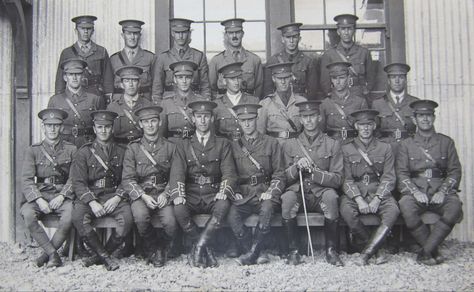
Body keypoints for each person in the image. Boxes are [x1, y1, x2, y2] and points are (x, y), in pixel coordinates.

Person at [397, 100, 462, 265]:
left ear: (434, 118)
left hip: (440, 189)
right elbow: (402, 173)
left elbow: (454, 171)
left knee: (454, 207)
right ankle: (434, 250)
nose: (425, 119)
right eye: (421, 116)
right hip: (417, 190)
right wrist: (415, 192)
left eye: (428, 115)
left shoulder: (446, 142)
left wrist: (443, 191)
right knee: (406, 205)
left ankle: (425, 252)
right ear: (414, 119)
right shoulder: (406, 145)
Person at [173, 100, 237, 268]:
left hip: (213, 192)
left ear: (212, 119)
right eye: (199, 116)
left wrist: (223, 191)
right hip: (192, 192)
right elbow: (177, 173)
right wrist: (179, 195)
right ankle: (206, 249)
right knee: (179, 209)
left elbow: (229, 172)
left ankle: (199, 247)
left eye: (206, 116)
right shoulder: (183, 144)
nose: (202, 120)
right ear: (193, 119)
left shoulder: (222, 143)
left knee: (223, 205)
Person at [280, 101, 344, 266]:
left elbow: (337, 179)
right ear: (300, 120)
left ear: (319, 118)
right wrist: (296, 167)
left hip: (320, 193)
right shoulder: (290, 144)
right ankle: (293, 251)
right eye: (304, 117)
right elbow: (284, 178)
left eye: (312, 116)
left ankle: (331, 250)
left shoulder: (332, 144)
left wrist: (313, 173)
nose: (308, 121)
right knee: (287, 199)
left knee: (331, 197)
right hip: (298, 192)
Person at [121, 106, 184, 267]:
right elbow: (127, 179)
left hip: (163, 192)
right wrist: (142, 196)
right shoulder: (133, 148)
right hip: (142, 194)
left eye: (153, 121)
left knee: (170, 222)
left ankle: (162, 248)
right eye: (146, 122)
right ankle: (154, 248)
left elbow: (176, 175)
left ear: (160, 122)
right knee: (141, 217)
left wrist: (167, 193)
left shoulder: (171, 147)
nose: (150, 125)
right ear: (140, 124)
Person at [71, 110, 133, 271]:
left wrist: (118, 197)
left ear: (112, 129)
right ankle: (105, 257)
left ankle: (99, 256)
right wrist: (92, 202)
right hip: (92, 195)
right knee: (78, 217)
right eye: (100, 127)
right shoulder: (84, 152)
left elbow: (128, 178)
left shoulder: (123, 151)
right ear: (94, 129)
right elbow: (78, 182)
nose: (103, 130)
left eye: (107, 127)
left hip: (113, 194)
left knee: (127, 219)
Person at [227, 103, 285, 265]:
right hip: (244, 194)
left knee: (266, 209)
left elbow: (280, 173)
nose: (247, 124)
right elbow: (230, 173)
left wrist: (272, 191)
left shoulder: (271, 143)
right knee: (232, 214)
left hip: (264, 191)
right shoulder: (233, 146)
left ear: (256, 120)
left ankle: (252, 254)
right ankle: (252, 251)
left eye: (250, 120)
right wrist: (235, 191)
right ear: (238, 121)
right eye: (243, 120)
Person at [339, 109, 400, 266]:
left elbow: (389, 177)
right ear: (356, 126)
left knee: (393, 210)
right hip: (356, 192)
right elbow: (346, 179)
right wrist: (359, 199)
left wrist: (378, 199)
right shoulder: (346, 148)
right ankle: (375, 250)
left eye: (369, 124)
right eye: (361, 125)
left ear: (374, 126)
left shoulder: (385, 148)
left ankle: (365, 254)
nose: (365, 128)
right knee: (346, 210)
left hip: (377, 190)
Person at [20, 109, 76, 268]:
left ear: (62, 127)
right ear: (43, 127)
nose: (52, 129)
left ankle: (46, 256)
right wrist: (39, 200)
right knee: (28, 214)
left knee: (71, 216)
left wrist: (62, 196)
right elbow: (27, 179)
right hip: (41, 193)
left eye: (56, 125)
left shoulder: (71, 149)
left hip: (61, 194)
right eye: (49, 125)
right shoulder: (33, 150)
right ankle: (52, 254)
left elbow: (74, 177)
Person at [55, 15, 114, 104]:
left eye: (89, 28)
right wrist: (59, 97)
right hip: (74, 96)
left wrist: (108, 97)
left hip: (96, 95)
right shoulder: (67, 53)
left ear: (93, 31)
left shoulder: (101, 51)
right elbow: (60, 80)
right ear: (76, 30)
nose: (86, 31)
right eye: (82, 28)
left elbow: (108, 78)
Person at [48, 58, 105, 147]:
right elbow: (50, 129)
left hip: (88, 146)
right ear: (65, 77)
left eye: (78, 74)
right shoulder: (55, 101)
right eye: (71, 74)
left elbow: (102, 126)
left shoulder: (95, 99)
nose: (74, 78)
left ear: (82, 76)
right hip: (63, 147)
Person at [152, 18, 211, 103]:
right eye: (177, 32)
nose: (180, 36)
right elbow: (157, 89)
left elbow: (205, 86)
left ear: (189, 33)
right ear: (172, 33)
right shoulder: (163, 58)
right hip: (170, 102)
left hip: (194, 102)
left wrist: (204, 105)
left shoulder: (199, 56)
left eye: (183, 32)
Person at [319, 14, 375, 102]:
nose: (346, 32)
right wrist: (331, 95)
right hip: (337, 96)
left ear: (354, 31)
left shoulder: (364, 52)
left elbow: (371, 78)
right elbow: (325, 82)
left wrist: (365, 91)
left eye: (349, 28)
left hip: (359, 96)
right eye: (343, 29)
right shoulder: (329, 54)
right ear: (338, 31)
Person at [208, 18, 263, 99]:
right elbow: (211, 89)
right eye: (231, 33)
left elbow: (259, 88)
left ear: (242, 34)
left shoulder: (254, 60)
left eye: (237, 32)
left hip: (248, 105)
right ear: (226, 35)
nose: (234, 36)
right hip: (225, 107)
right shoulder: (216, 61)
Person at [371, 63, 419, 154]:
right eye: (393, 77)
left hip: (409, 148)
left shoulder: (415, 102)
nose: (397, 81)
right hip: (386, 149)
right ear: (388, 81)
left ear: (405, 80)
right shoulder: (378, 103)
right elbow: (374, 130)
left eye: (401, 77)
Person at [263, 23, 319, 100]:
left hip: (301, 103)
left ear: (299, 38)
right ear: (282, 39)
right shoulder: (273, 61)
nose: (291, 41)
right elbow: (268, 90)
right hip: (279, 104)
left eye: (294, 37)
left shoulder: (308, 61)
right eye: (288, 37)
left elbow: (312, 91)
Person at [257, 62, 307, 143]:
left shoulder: (302, 102)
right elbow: (260, 133)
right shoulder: (265, 104)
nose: (283, 82)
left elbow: (308, 131)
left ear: (291, 78)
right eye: (279, 78)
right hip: (275, 147)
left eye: (286, 78)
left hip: (296, 147)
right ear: (273, 79)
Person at [319, 62, 368, 142]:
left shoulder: (360, 102)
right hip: (332, 144)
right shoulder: (325, 104)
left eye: (341, 78)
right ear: (331, 80)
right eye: (334, 78)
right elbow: (321, 131)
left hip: (354, 145)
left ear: (348, 78)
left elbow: (365, 130)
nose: (338, 82)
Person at [158, 61, 205, 142]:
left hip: (194, 145)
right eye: (180, 77)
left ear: (192, 79)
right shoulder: (166, 103)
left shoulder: (200, 101)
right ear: (175, 79)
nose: (184, 81)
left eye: (187, 77)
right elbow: (161, 134)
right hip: (173, 146)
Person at [106, 65, 152, 146]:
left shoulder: (148, 105)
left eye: (134, 80)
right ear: (122, 84)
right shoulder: (112, 107)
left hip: (141, 148)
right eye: (127, 81)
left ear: (139, 83)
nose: (131, 84)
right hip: (119, 149)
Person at [110, 19, 155, 101]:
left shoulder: (150, 57)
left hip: (144, 101)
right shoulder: (114, 59)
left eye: (135, 33)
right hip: (120, 102)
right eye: (128, 33)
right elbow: (109, 86)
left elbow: (156, 84)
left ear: (140, 35)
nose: (132, 37)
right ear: (123, 35)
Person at [213, 62, 259, 141]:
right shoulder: (216, 105)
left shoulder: (253, 101)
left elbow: (259, 130)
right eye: (232, 79)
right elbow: (214, 133)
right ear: (224, 81)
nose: (236, 82)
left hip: (247, 147)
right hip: (225, 147)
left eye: (239, 78)